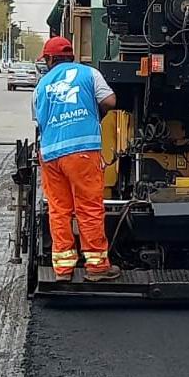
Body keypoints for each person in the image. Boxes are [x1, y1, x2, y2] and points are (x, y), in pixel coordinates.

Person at [33, 36, 120, 282]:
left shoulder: (41, 85)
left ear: (49, 59)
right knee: (89, 207)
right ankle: (96, 267)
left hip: (50, 154)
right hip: (82, 151)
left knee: (59, 210)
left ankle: (62, 270)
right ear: (71, 56)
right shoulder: (89, 74)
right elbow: (110, 101)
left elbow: (39, 121)